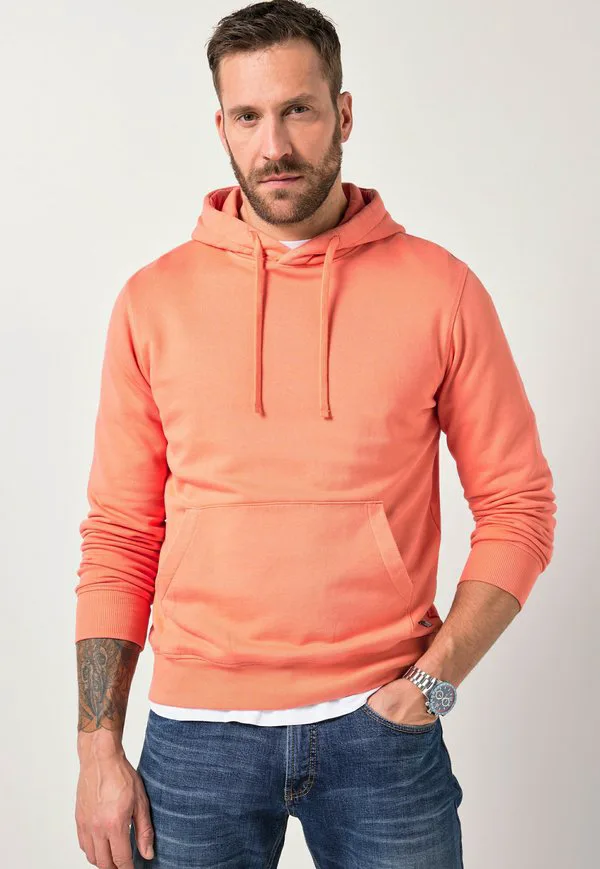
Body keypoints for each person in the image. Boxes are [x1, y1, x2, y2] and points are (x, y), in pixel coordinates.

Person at [73, 1, 557, 867]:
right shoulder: (153, 302)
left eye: (298, 109)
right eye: (248, 116)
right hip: (196, 736)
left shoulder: (441, 290)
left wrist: (434, 682)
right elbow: (120, 533)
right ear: (221, 126)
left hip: (382, 731)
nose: (274, 146)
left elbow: (519, 507)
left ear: (343, 112)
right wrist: (96, 749)